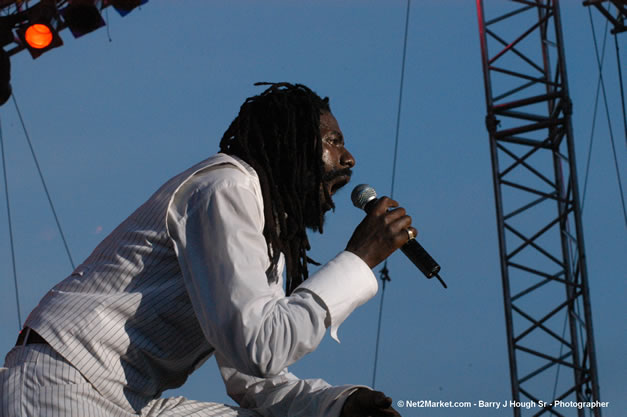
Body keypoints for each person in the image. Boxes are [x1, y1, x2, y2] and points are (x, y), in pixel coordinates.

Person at [0, 82, 415, 417]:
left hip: (126, 400)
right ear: (289, 143)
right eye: (333, 141)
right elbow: (261, 347)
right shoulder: (225, 188)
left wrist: (336, 406)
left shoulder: (266, 233)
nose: (349, 158)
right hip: (64, 382)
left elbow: (255, 381)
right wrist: (360, 258)